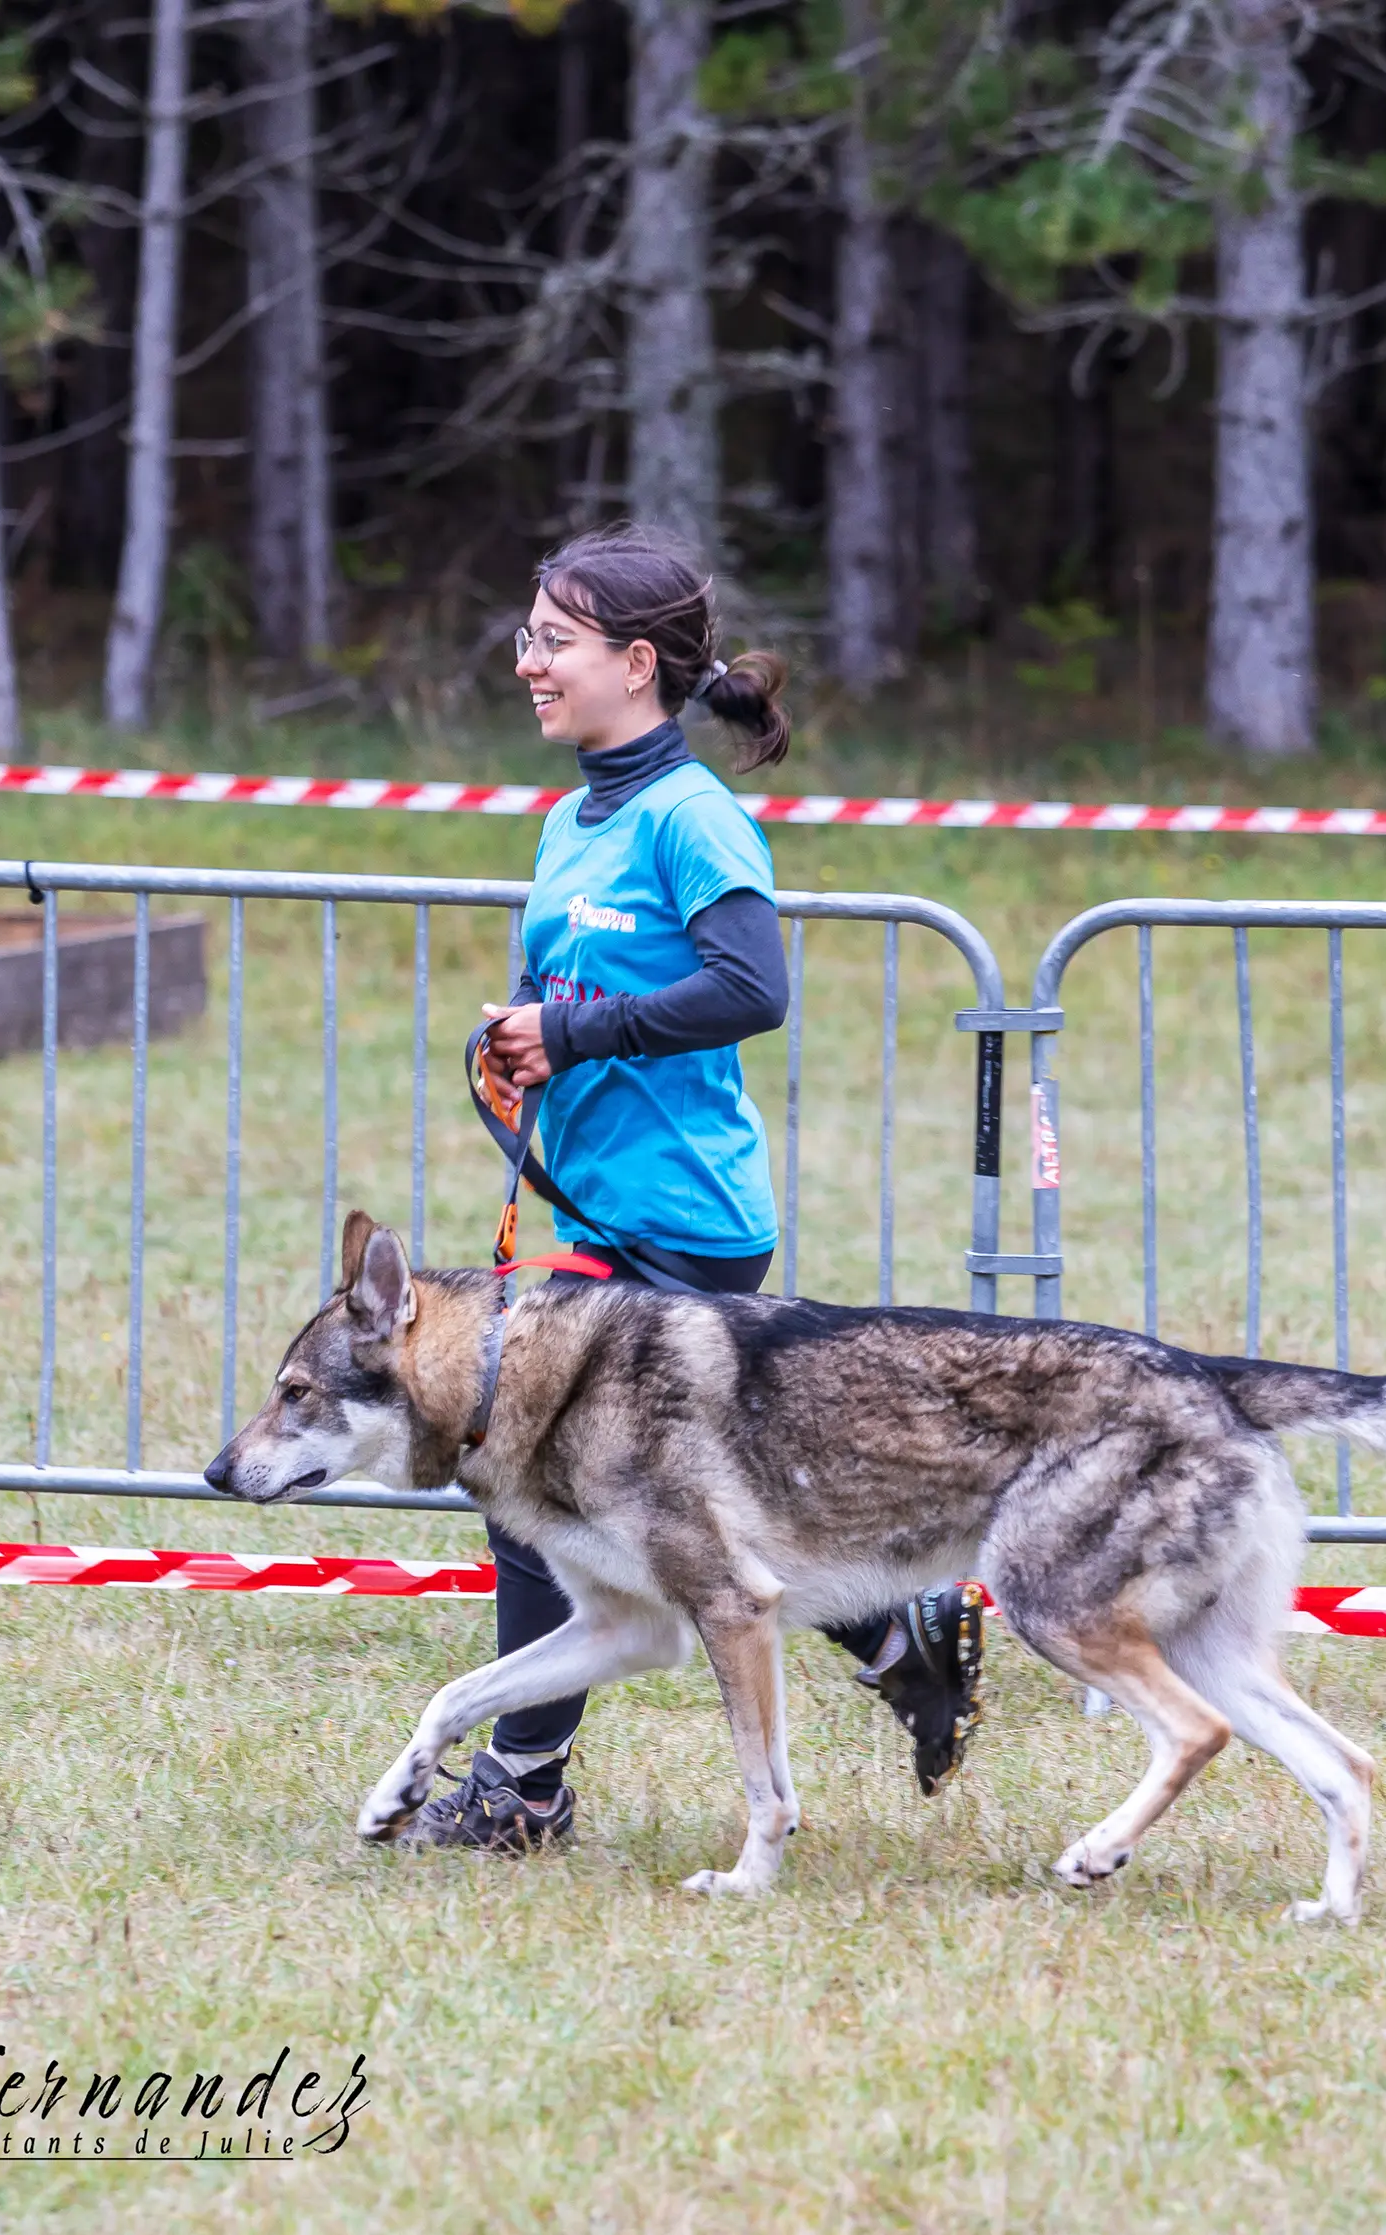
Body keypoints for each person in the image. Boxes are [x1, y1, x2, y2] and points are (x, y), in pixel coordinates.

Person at [404, 523, 987, 1853]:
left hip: (683, 1224)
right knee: (679, 1500)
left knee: (527, 1471)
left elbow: (750, 988)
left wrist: (580, 1031)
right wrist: (527, 1047)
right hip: (599, 1204)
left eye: (553, 640)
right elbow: (593, 990)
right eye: (529, 637)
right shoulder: (572, 815)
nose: (527, 662)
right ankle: (899, 1631)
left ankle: (522, 1791)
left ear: (638, 661)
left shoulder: (693, 815)